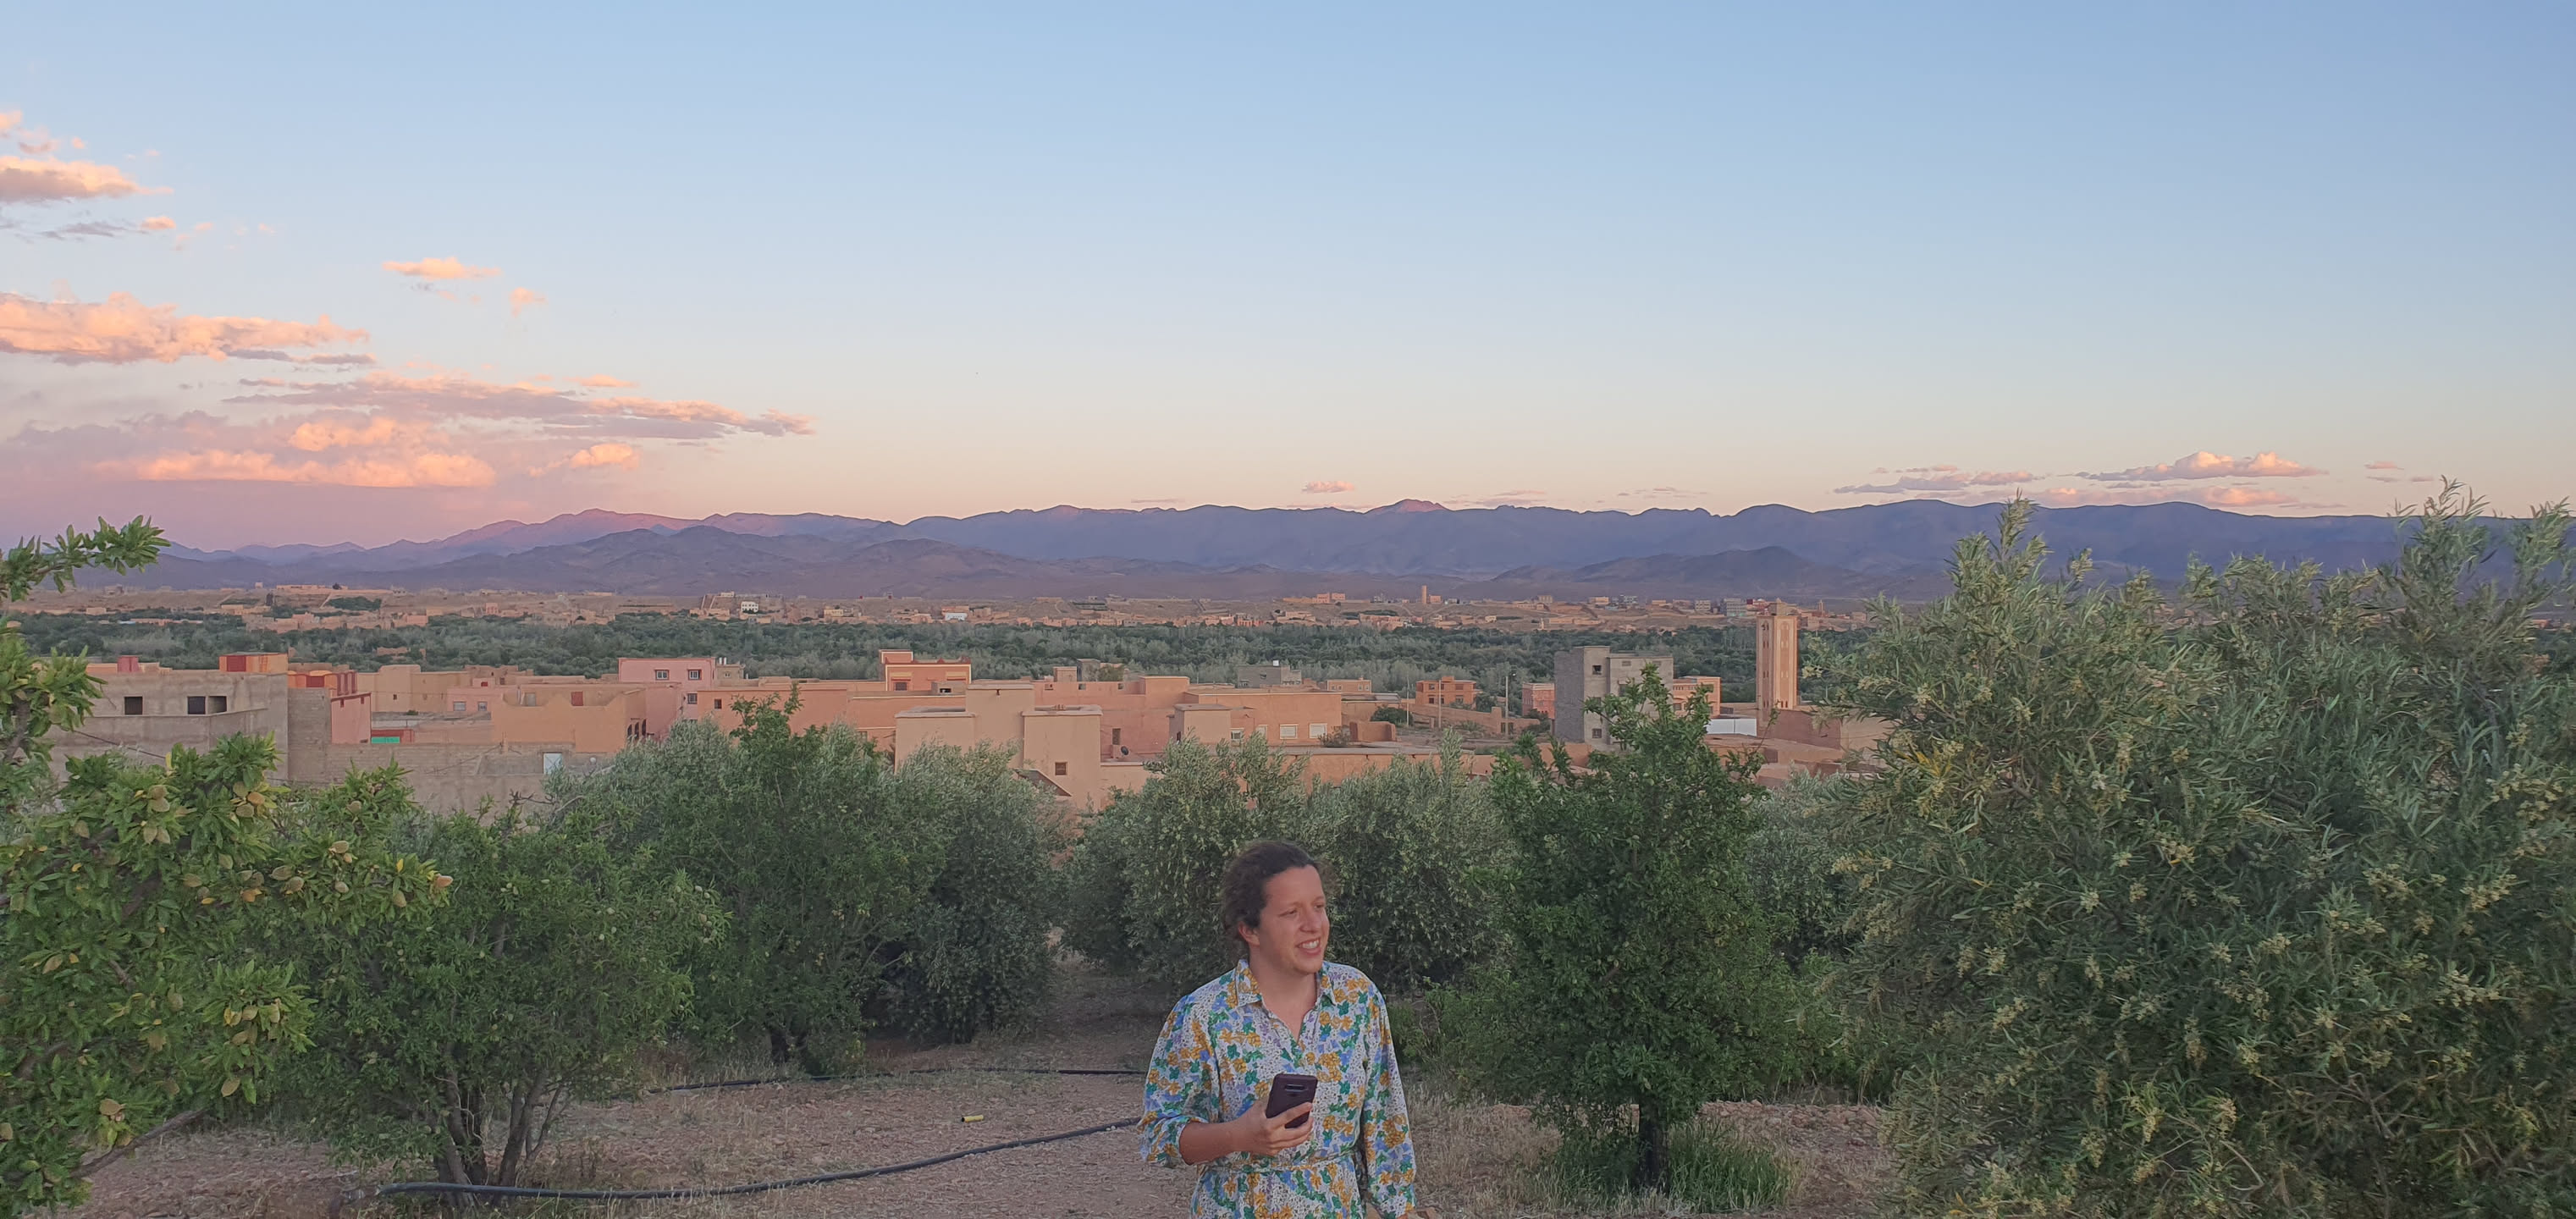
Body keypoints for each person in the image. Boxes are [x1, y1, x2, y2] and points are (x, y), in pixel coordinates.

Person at [1139, 841, 1420, 1217]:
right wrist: (1238, 1136)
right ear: (1250, 930)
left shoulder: (1357, 998)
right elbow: (1158, 1136)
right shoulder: (1203, 1015)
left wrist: (1399, 1211)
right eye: (1291, 912)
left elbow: (1387, 1126)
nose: (1314, 925)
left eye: (1319, 907)